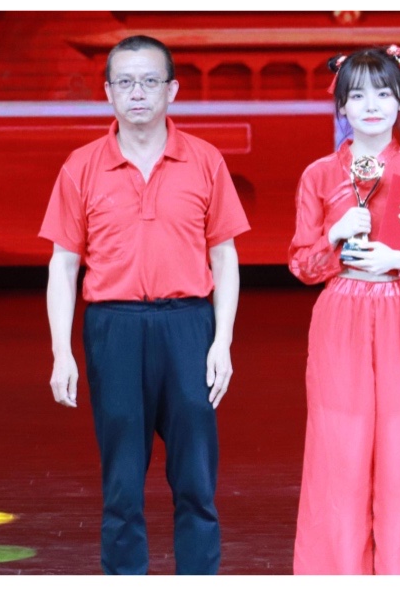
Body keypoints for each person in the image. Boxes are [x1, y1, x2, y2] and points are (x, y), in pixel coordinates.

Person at [41, 31, 248, 576]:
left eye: (150, 81)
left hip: (188, 327)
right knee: (122, 484)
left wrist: (222, 341)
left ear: (172, 90)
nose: (138, 93)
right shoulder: (81, 166)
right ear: (108, 92)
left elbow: (224, 256)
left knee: (196, 480)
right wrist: (62, 352)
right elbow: (63, 264)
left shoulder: (204, 160)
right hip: (114, 329)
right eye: (126, 82)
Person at [289, 45, 400, 575]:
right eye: (358, 95)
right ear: (341, 106)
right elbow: (301, 264)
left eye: (384, 94)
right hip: (340, 314)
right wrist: (333, 235)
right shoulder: (320, 175)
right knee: (337, 455)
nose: (371, 106)